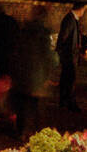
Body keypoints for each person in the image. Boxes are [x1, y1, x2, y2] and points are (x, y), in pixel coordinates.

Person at [11, 9, 57, 138]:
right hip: (38, 76)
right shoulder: (44, 35)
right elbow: (49, 57)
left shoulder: (23, 33)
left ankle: (22, 131)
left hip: (23, 75)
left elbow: (16, 54)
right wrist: (49, 74)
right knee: (36, 107)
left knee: (23, 106)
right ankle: (37, 133)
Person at [56, 2, 87, 112]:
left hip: (71, 54)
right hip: (69, 55)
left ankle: (64, 101)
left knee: (66, 78)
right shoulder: (70, 20)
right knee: (70, 79)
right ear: (80, 9)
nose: (84, 13)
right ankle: (70, 103)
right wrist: (63, 53)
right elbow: (63, 37)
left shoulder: (72, 19)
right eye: (84, 10)